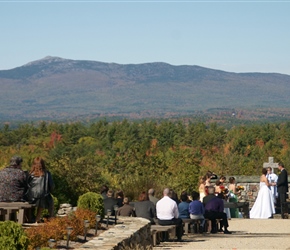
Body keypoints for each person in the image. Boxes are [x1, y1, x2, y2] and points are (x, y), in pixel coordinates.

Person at [26, 157, 55, 222]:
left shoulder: (29, 174)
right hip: (43, 196)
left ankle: (31, 218)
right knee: (49, 201)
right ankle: (47, 218)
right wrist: (50, 191)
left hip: (30, 197)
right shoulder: (47, 174)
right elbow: (52, 185)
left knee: (40, 200)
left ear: (33, 164)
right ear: (43, 164)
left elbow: (26, 185)